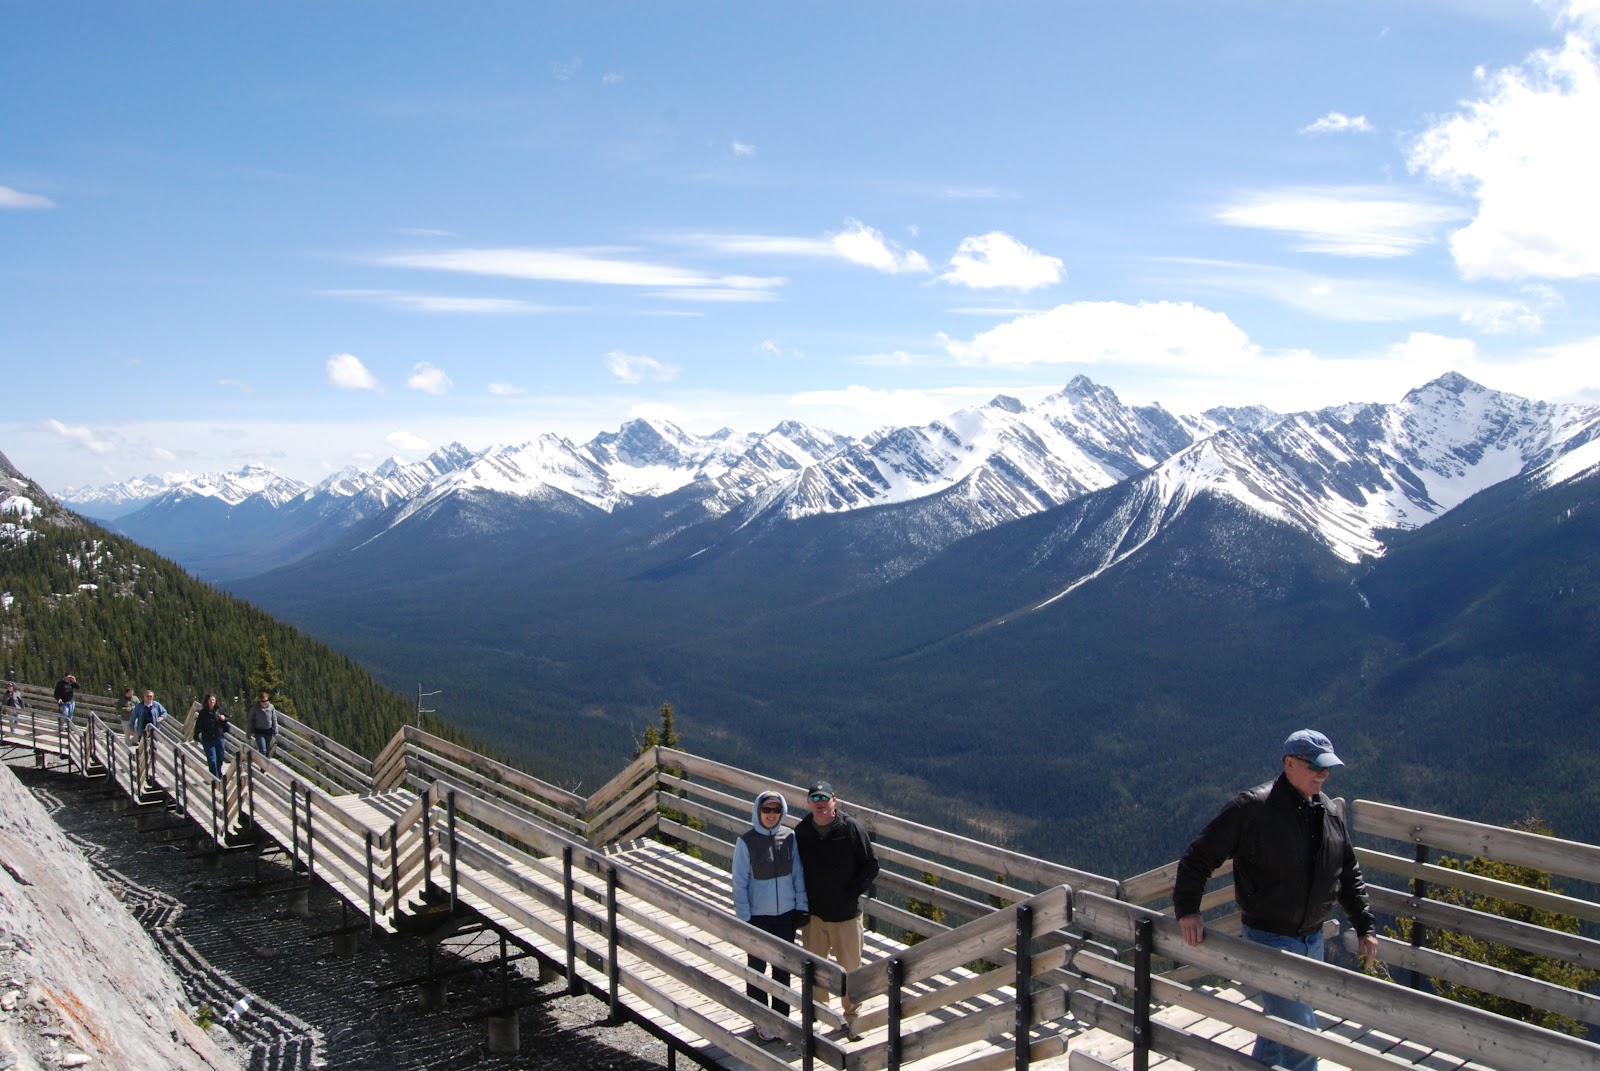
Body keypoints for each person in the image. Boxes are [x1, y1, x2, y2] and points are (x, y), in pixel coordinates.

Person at [1173, 729, 1379, 1071]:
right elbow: (1199, 856)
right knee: (1302, 1036)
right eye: (1315, 767)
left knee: (1278, 1024)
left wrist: (1365, 926)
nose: (1323, 775)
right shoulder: (1252, 808)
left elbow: (1347, 873)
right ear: (1289, 764)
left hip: (1312, 940)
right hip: (1268, 938)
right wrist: (1188, 910)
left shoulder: (1327, 812)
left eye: (1327, 769)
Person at [794, 780, 879, 1039]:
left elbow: (870, 864)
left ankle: (852, 1017)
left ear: (834, 800)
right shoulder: (802, 831)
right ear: (809, 803)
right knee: (815, 967)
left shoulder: (851, 828)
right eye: (815, 800)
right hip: (815, 913)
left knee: (851, 967)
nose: (820, 804)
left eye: (824, 799)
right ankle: (819, 1014)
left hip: (846, 914)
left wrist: (852, 892)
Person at [732, 790, 808, 1042]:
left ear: (782, 812)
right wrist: (744, 917)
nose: (772, 815)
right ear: (758, 811)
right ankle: (761, 1018)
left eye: (776, 810)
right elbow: (739, 882)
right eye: (767, 810)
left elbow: (798, 874)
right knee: (757, 967)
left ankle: (781, 1017)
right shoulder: (746, 841)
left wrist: (801, 906)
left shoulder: (790, 837)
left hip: (786, 914)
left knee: (783, 967)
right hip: (758, 916)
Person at [195, 693, 228, 779]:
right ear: (207, 701)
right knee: (212, 759)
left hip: (219, 737)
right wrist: (196, 737)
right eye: (210, 700)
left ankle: (219, 773)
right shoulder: (203, 713)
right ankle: (214, 777)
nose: (212, 701)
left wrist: (224, 718)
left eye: (213, 700)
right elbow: (198, 725)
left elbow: (227, 718)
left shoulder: (220, 710)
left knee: (220, 757)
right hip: (208, 738)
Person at [247, 690, 279, 756]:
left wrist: (276, 732)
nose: (264, 703)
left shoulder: (271, 707)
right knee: (263, 750)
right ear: (259, 700)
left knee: (267, 750)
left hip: (268, 732)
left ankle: (264, 766)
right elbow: (250, 721)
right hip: (259, 732)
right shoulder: (255, 708)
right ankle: (263, 765)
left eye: (266, 701)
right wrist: (248, 733)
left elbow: (274, 719)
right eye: (262, 701)